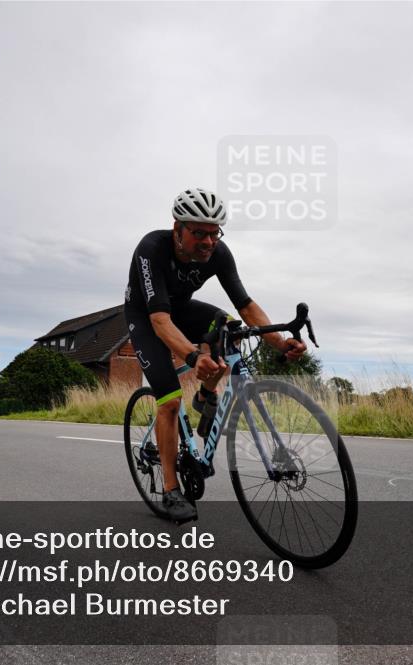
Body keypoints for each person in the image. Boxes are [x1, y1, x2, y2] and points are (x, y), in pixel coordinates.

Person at [124, 188, 307, 522]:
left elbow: (246, 306)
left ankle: (206, 398)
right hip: (147, 318)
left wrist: (280, 343)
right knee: (169, 401)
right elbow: (160, 321)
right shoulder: (152, 248)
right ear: (177, 228)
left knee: (227, 325)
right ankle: (170, 489)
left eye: (214, 233)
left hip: (181, 310)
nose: (208, 242)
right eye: (199, 233)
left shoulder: (219, 253)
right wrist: (194, 358)